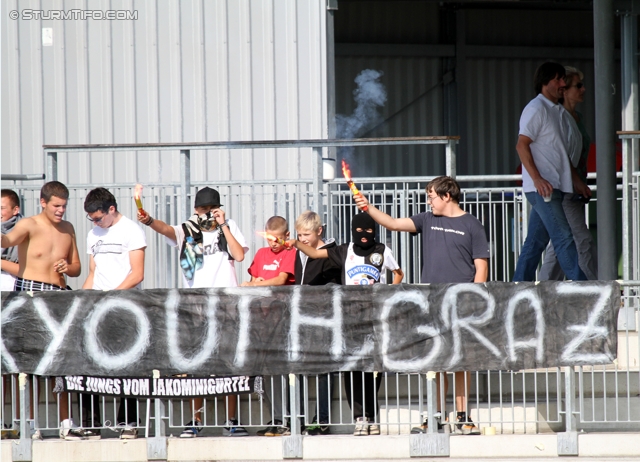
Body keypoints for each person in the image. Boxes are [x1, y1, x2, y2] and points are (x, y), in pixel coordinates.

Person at [353, 176, 488, 435]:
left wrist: (473, 298)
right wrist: (368, 207)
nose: (429, 201)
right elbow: (392, 223)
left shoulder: (472, 225)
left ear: (447, 196)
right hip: (432, 302)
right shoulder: (427, 219)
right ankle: (435, 416)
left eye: (432, 196)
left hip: (461, 303)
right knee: (435, 360)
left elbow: (481, 267)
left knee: (461, 361)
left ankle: (462, 416)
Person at [138, 186, 248, 437]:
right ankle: (195, 420)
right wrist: (150, 221)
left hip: (226, 304)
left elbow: (239, 255)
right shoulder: (188, 228)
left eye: (212, 209)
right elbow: (167, 230)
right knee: (196, 364)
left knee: (228, 364)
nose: (207, 214)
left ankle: (231, 419)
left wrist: (223, 225)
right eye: (203, 209)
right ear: (195, 209)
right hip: (196, 306)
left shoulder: (228, 225)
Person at [288, 212, 404, 436]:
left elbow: (398, 273)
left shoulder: (382, 250)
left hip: (374, 318)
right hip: (348, 319)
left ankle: (371, 416)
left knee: (373, 369)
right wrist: (295, 243)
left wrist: (387, 291)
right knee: (351, 368)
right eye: (359, 231)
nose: (364, 235)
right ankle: (359, 417)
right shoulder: (344, 250)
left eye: (369, 231)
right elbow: (313, 252)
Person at [0, 181, 84, 440]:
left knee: (61, 360)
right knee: (29, 360)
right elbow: (6, 240)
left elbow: (77, 267)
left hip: (57, 294)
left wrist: (66, 268)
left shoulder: (68, 228)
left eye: (64, 206)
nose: (61, 211)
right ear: (43, 202)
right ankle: (30, 423)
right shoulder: (30, 224)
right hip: (29, 293)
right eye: (56, 206)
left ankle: (66, 422)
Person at [513, 61, 588, 282]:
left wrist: (577, 181)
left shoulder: (556, 111)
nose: (563, 83)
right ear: (544, 82)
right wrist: (537, 179)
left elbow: (561, 155)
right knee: (563, 237)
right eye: (558, 79)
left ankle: (517, 287)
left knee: (535, 243)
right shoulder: (536, 109)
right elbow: (521, 144)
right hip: (544, 188)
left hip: (553, 186)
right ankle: (582, 286)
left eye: (563, 79)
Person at [82, 188, 146, 439]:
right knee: (88, 363)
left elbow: (137, 273)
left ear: (111, 209)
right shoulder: (93, 233)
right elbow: (92, 272)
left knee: (126, 365)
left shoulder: (131, 230)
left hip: (124, 306)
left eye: (98, 218)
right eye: (91, 219)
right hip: (97, 306)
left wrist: (112, 296)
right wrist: (83, 300)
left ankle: (128, 422)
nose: (96, 223)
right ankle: (91, 423)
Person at [538, 66, 598, 281]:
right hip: (564, 187)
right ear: (565, 91)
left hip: (575, 187)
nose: (583, 89)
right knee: (581, 240)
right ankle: (593, 286)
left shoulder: (576, 117)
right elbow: (561, 155)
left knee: (560, 243)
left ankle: (545, 289)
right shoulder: (559, 118)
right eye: (578, 86)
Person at [242, 216, 297, 436]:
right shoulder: (261, 254)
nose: (272, 243)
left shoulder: (290, 252)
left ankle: (286, 419)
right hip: (260, 323)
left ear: (286, 236)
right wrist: (256, 283)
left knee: (281, 372)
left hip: (281, 321)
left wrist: (258, 283)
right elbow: (254, 280)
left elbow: (281, 280)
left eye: (277, 239)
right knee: (263, 373)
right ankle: (275, 418)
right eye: (269, 238)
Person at [293, 211, 341, 436]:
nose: (302, 239)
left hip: (324, 319)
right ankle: (298, 417)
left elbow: (333, 285)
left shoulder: (331, 251)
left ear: (319, 231)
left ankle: (322, 419)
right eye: (299, 234)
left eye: (307, 234)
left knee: (324, 369)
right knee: (300, 367)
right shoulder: (299, 251)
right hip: (301, 317)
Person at [1, 189, 23, 291]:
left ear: (15, 210)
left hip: (15, 285)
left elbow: (25, 270)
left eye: (2, 208)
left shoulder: (24, 230)